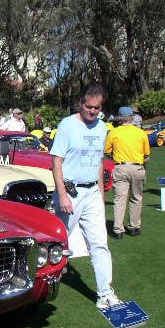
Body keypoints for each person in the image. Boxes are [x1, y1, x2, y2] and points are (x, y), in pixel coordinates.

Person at [50, 82, 121, 311]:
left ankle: (105, 293)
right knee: (59, 243)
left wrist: (100, 193)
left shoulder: (102, 127)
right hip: (70, 192)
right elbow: (56, 162)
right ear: (81, 103)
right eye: (89, 107)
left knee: (100, 244)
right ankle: (44, 282)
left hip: (92, 193)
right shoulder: (67, 125)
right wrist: (62, 195)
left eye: (97, 108)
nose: (92, 111)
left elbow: (99, 162)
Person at [104, 106, 150, 239]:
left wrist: (116, 158)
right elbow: (147, 155)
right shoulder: (141, 133)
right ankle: (134, 227)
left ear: (119, 118)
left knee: (120, 199)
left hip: (121, 167)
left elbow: (107, 151)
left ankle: (118, 230)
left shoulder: (114, 132)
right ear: (132, 117)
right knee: (136, 198)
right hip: (137, 167)